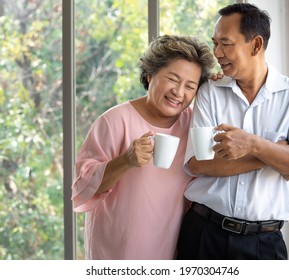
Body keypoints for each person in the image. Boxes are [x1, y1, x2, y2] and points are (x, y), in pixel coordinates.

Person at [177, 3, 289, 260]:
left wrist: (253, 144)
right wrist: (277, 154)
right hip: (205, 233)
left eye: (226, 44)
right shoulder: (210, 91)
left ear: (256, 45)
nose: (217, 52)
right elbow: (199, 163)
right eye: (215, 43)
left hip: (265, 243)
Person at [71, 34, 216, 259]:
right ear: (150, 74)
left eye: (190, 86)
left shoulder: (195, 124)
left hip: (170, 248)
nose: (179, 92)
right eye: (172, 79)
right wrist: (125, 160)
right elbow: (83, 186)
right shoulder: (114, 121)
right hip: (117, 251)